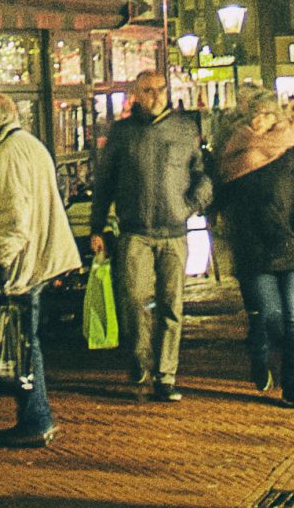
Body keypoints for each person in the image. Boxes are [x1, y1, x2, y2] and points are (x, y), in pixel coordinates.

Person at [86, 68, 212, 401]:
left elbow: (201, 174)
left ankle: (165, 375)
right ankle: (140, 357)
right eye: (148, 90)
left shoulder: (185, 129)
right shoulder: (123, 133)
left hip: (173, 231)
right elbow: (104, 182)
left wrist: (191, 205)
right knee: (133, 300)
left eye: (160, 89)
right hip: (134, 231)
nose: (155, 96)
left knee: (172, 305)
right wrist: (97, 226)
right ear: (136, 95)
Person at [0, 90, 80, 448]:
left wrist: (0, 263)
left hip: (22, 265)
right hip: (36, 258)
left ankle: (36, 417)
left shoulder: (8, 155)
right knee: (26, 339)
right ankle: (34, 415)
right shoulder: (31, 146)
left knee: (24, 341)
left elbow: (13, 216)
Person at [213, 89, 294, 409]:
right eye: (253, 115)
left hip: (291, 244)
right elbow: (222, 196)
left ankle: (292, 386)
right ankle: (260, 357)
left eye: (266, 113)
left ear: (278, 117)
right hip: (255, 248)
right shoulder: (234, 151)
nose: (259, 120)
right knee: (269, 315)